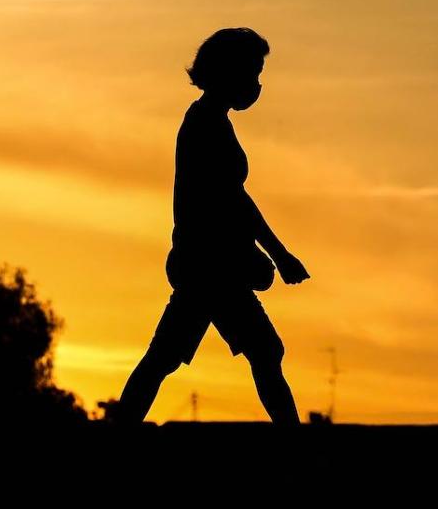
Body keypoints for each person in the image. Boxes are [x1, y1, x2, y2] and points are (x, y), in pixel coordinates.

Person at [111, 27, 311, 425]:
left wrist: (266, 253)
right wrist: (277, 253)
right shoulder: (206, 124)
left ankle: (117, 430)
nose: (256, 84)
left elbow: (232, 200)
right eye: (252, 73)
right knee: (259, 352)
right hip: (211, 268)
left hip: (210, 266)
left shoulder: (210, 121)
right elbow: (230, 202)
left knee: (172, 358)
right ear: (229, 72)